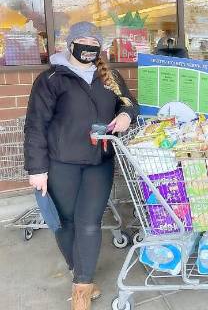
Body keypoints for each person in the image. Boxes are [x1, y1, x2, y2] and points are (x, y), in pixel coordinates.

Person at [24, 21, 139, 310]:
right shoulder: (51, 79)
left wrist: (126, 115)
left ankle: (81, 291)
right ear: (71, 44)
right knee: (64, 225)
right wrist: (37, 170)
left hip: (98, 161)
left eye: (93, 41)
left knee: (88, 223)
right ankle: (81, 271)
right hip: (61, 163)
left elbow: (130, 104)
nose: (88, 45)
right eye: (83, 40)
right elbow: (35, 126)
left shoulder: (110, 76)